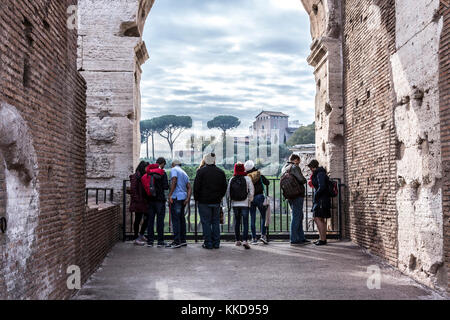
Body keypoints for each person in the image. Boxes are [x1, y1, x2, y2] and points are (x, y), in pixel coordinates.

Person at [193, 153, 227, 249]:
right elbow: (224, 187)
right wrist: (220, 196)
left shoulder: (200, 172)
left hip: (203, 201)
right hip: (216, 201)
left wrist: (196, 198)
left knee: (206, 222)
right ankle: (216, 243)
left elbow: (196, 187)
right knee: (215, 222)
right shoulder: (221, 172)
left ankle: (208, 243)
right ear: (214, 160)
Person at [281, 154, 310, 246]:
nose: (299, 163)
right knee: (297, 216)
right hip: (297, 194)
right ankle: (294, 239)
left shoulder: (284, 168)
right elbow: (301, 179)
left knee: (298, 216)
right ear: (295, 160)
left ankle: (301, 238)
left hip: (289, 194)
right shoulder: (294, 167)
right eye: (299, 161)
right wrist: (305, 179)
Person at [142, 157, 169, 248]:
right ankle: (160, 241)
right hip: (160, 200)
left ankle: (150, 241)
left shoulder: (149, 173)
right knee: (160, 221)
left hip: (150, 200)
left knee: (150, 221)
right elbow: (166, 186)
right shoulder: (163, 173)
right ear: (162, 164)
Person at [227, 162, 254, 249]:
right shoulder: (247, 178)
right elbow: (252, 190)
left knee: (237, 222)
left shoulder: (232, 179)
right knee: (245, 222)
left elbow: (228, 192)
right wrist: (250, 199)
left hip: (235, 203)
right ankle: (245, 240)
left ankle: (237, 240)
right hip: (245, 203)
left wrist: (231, 201)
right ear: (243, 169)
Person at [244, 160, 270, 245]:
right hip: (259, 197)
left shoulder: (247, 177)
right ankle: (263, 235)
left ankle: (254, 238)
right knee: (263, 216)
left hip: (250, 198)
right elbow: (267, 182)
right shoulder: (259, 175)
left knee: (252, 218)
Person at [167, 159, 191, 249]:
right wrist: (188, 198)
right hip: (183, 198)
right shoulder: (184, 173)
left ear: (173, 164)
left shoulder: (174, 170)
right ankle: (183, 240)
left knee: (176, 220)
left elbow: (174, 180)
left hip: (176, 197)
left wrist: (170, 195)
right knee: (181, 219)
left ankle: (177, 241)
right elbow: (189, 187)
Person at [307, 159, 331, 246]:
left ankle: (322, 239)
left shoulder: (319, 173)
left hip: (321, 199)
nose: (310, 170)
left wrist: (316, 195)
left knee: (317, 218)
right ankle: (322, 239)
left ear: (313, 167)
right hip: (322, 198)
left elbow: (322, 186)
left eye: (310, 168)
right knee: (321, 219)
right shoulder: (320, 172)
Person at [129, 161, 149, 245]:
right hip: (139, 202)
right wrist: (138, 199)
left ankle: (141, 235)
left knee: (146, 219)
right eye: (146, 167)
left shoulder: (143, 176)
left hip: (144, 201)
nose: (147, 169)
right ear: (142, 167)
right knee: (137, 219)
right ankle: (136, 238)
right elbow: (133, 190)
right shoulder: (135, 177)